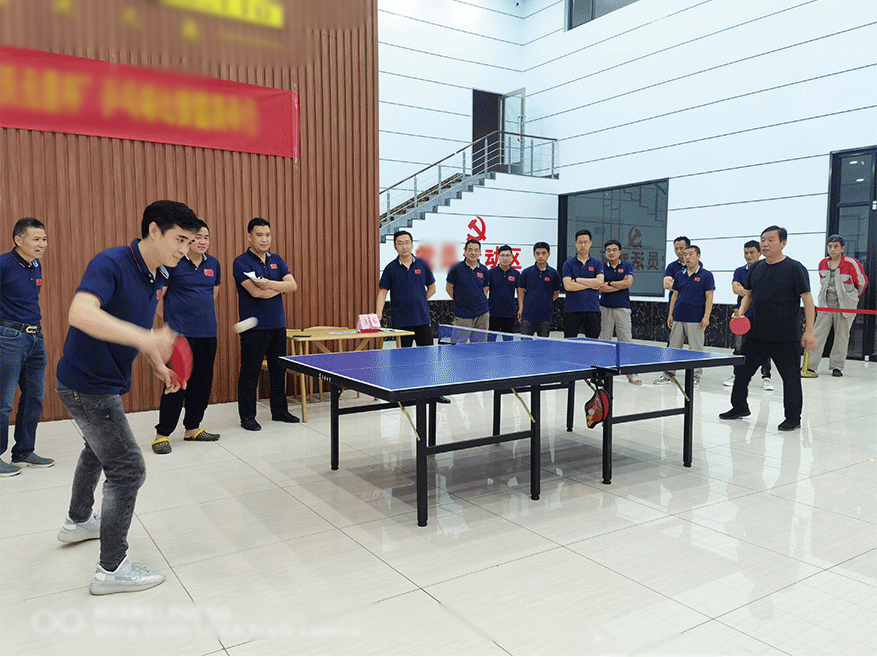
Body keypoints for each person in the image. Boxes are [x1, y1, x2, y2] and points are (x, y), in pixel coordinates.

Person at [55, 200, 201, 595]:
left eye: (189, 242)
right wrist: (147, 339)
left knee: (96, 449)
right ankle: (111, 569)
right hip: (88, 384)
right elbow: (79, 313)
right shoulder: (111, 263)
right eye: (179, 239)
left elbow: (141, 324)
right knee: (128, 469)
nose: (184, 249)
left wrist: (156, 363)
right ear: (154, 230)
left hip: (98, 381)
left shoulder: (158, 273)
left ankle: (77, 521)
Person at [720, 226, 815, 431]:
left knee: (790, 378)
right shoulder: (756, 268)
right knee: (742, 373)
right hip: (757, 334)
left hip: (785, 336)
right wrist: (741, 311)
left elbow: (807, 300)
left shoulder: (795, 268)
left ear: (783, 243)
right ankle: (739, 407)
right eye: (763, 240)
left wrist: (809, 331)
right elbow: (749, 294)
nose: (765, 244)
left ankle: (793, 418)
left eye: (771, 240)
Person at [151, 220, 221, 454]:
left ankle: (193, 428)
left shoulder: (214, 264)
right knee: (176, 382)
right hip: (180, 336)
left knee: (202, 383)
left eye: (206, 237)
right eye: (198, 237)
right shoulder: (173, 263)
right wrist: (172, 322)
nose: (202, 241)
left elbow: (212, 295)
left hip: (208, 332)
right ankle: (162, 435)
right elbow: (159, 298)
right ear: (188, 239)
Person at [233, 217, 300, 431]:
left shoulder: (277, 260)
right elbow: (256, 293)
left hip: (278, 325)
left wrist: (270, 284)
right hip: (254, 327)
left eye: (268, 235)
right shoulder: (241, 262)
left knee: (278, 370)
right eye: (259, 235)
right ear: (249, 237)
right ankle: (247, 417)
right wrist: (280, 288)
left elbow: (293, 286)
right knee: (250, 373)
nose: (264, 239)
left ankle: (279, 411)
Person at [1, 217, 52, 476]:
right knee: (3, 401)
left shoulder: (35, 265)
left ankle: (23, 452)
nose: (42, 244)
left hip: (35, 338)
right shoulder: (4, 264)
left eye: (44, 239)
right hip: (8, 337)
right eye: (36, 239)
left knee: (34, 395)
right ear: (18, 240)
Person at [377, 230, 450, 403]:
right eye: (400, 243)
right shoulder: (391, 268)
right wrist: (378, 314)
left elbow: (432, 288)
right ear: (395, 247)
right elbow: (382, 292)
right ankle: (404, 394)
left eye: (407, 242)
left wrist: (420, 301)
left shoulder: (422, 264)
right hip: (401, 322)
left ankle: (433, 393)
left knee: (427, 358)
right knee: (403, 360)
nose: (404, 246)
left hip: (422, 320)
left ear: (412, 244)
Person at [806, 235, 868, 377]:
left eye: (836, 247)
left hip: (845, 306)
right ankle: (810, 366)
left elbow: (862, 283)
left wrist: (854, 297)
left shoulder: (851, 263)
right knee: (817, 335)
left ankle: (837, 367)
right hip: (825, 306)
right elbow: (822, 282)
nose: (832, 249)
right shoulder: (823, 263)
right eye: (830, 246)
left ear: (842, 248)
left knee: (842, 337)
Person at [655, 244, 714, 387]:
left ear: (698, 256)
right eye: (685, 254)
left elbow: (709, 297)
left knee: (695, 349)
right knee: (673, 347)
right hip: (678, 317)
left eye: (691, 254)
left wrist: (706, 316)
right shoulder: (679, 274)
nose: (687, 257)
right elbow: (675, 295)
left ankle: (695, 376)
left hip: (696, 318)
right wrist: (671, 314)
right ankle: (668, 374)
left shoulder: (706, 275)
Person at [724, 240, 773, 390]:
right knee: (739, 348)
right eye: (746, 253)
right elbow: (736, 289)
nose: (748, 255)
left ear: (760, 253)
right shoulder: (739, 271)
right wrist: (752, 292)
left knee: (764, 348)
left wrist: (746, 291)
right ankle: (737, 375)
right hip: (742, 315)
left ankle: (766, 377)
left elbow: (766, 292)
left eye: (752, 252)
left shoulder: (767, 270)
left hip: (762, 316)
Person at [598, 239, 640, 384]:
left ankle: (631, 374)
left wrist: (609, 283)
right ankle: (602, 373)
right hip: (605, 308)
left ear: (620, 252)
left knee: (625, 341)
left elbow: (628, 283)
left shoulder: (627, 265)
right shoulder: (601, 267)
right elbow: (600, 287)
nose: (611, 252)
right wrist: (619, 284)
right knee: (604, 341)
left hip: (622, 308)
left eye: (614, 250)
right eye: (608, 250)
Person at [562, 229, 604, 339]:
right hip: (572, 309)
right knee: (570, 342)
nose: (583, 245)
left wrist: (577, 280)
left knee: (593, 343)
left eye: (585, 242)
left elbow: (599, 283)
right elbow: (568, 286)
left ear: (590, 243)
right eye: (580, 242)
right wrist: (591, 284)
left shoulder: (597, 264)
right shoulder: (568, 264)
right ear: (576, 243)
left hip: (592, 308)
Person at [518, 242, 561, 337]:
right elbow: (521, 291)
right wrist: (521, 308)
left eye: (543, 253)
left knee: (543, 343)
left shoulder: (554, 274)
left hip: (545, 316)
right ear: (534, 254)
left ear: (549, 254)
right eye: (537, 253)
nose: (540, 256)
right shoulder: (526, 272)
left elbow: (556, 293)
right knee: (525, 343)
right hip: (528, 315)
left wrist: (546, 302)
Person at [446, 239, 489, 329]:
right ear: (465, 252)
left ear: (480, 253)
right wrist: (459, 301)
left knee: (481, 339)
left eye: (476, 250)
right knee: (460, 338)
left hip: (482, 314)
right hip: (462, 314)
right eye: (470, 250)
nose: (473, 253)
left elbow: (485, 288)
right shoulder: (456, 268)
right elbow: (449, 288)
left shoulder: (484, 269)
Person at [487, 244, 519, 334]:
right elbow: (485, 291)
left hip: (509, 313)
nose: (505, 258)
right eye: (502, 255)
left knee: (508, 340)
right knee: (491, 340)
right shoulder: (490, 273)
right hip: (493, 313)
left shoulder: (516, 274)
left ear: (512, 257)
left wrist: (521, 308)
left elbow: (520, 293)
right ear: (498, 257)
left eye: (508, 255)